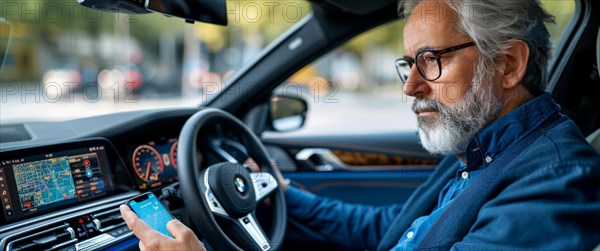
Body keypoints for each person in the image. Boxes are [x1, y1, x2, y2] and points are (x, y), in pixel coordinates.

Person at [121, 0, 600, 250]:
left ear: (508, 64)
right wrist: (280, 193)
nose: (411, 86)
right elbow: (390, 231)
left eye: (431, 60)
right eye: (408, 63)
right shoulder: (481, 149)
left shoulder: (554, 181)